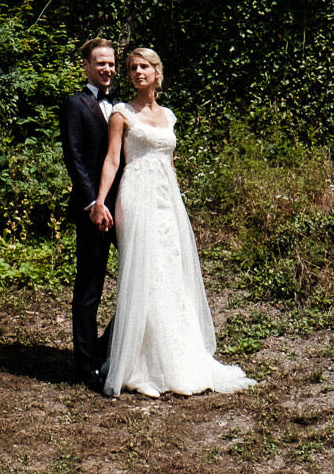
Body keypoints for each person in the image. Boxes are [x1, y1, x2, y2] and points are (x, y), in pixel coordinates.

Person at [92, 46, 252, 398]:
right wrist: (100, 200)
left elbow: (170, 163)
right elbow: (112, 161)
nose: (137, 73)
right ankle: (139, 361)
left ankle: (176, 354)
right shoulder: (121, 114)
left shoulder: (169, 116)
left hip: (167, 199)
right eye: (132, 67)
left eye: (144, 67)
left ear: (157, 72)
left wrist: (178, 203)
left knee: (170, 270)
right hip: (135, 195)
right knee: (144, 271)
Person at [58, 37, 120, 391]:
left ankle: (107, 347)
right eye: (100, 63)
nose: (107, 69)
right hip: (93, 212)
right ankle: (85, 363)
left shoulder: (122, 106)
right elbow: (75, 159)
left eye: (111, 63)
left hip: (125, 209)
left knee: (138, 282)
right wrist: (92, 204)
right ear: (86, 66)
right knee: (90, 288)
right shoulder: (75, 104)